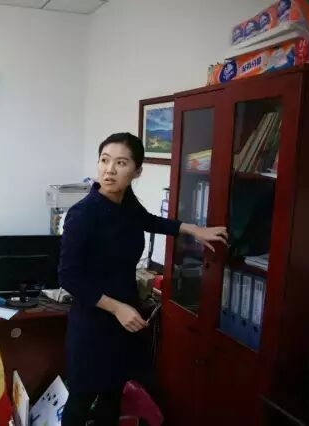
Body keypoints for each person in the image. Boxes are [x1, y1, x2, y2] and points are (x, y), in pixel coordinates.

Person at [58, 133, 227, 425]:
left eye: (121, 163)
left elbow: (148, 220)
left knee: (113, 396)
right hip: (93, 321)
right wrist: (117, 308)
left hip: (126, 318)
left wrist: (192, 230)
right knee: (81, 400)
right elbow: (68, 277)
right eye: (104, 160)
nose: (109, 170)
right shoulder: (83, 214)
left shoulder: (126, 203)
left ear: (136, 171)